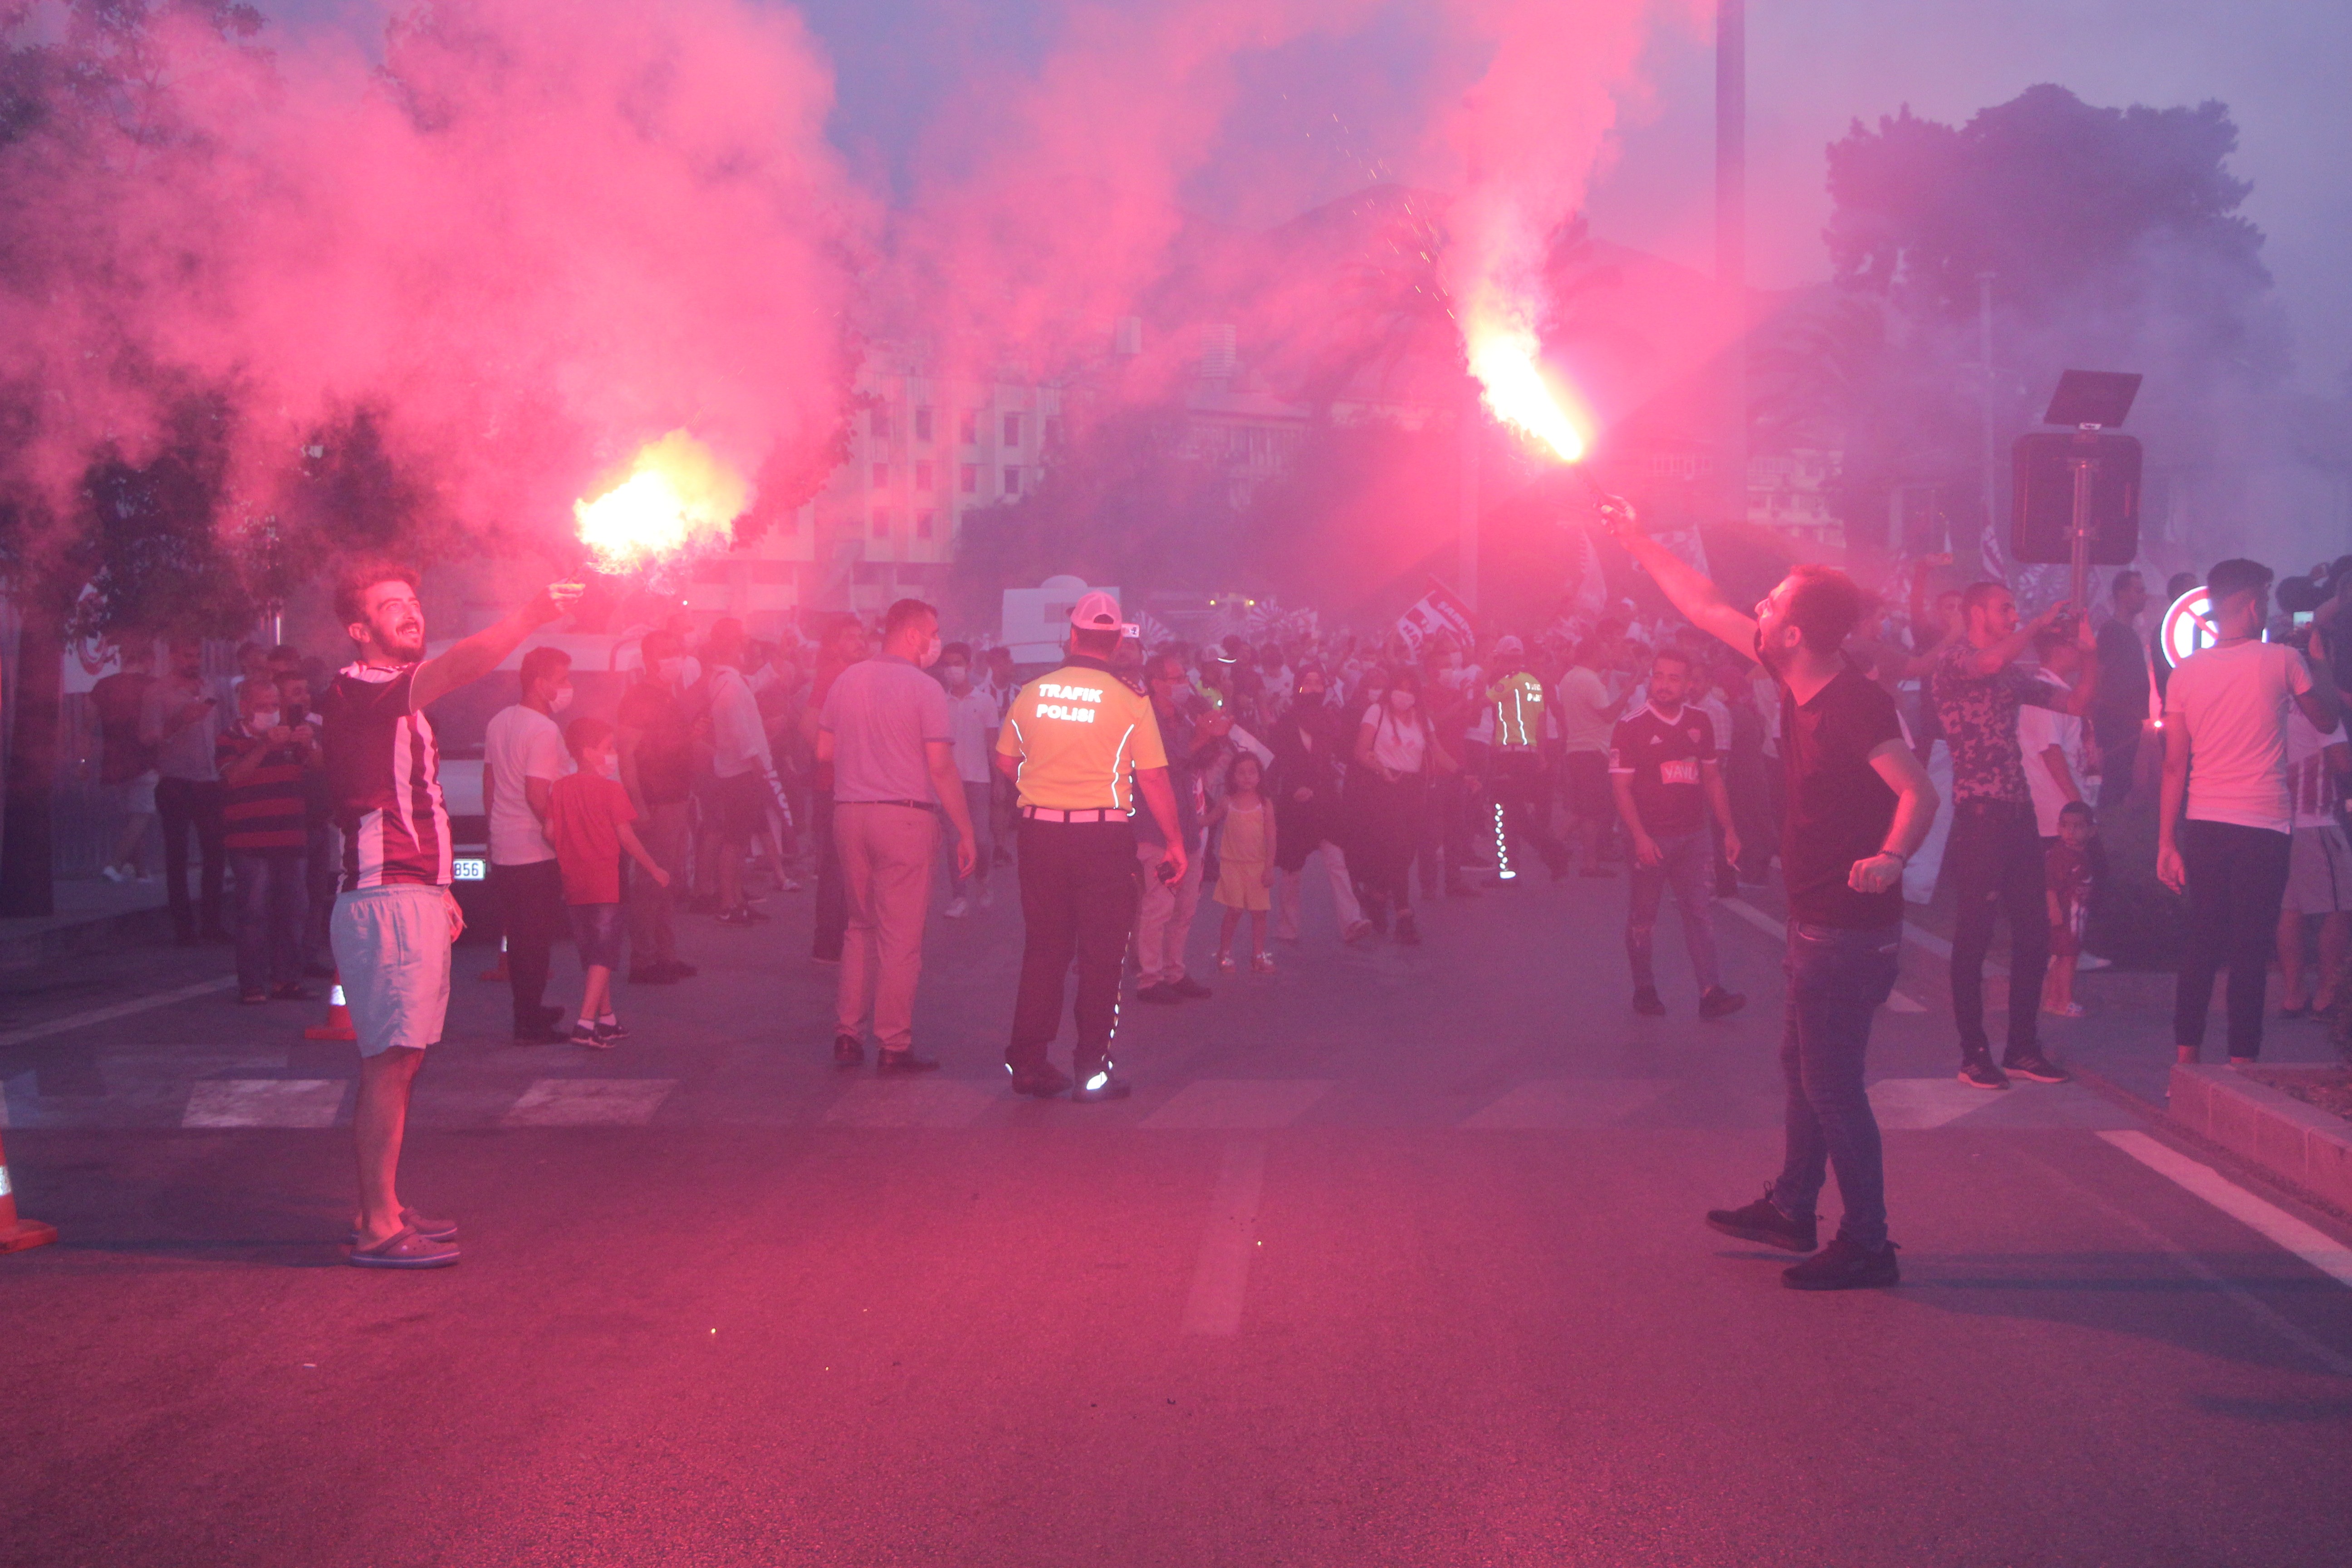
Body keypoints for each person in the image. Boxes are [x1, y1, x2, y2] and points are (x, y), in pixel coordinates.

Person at [1604, 497, 1939, 1292]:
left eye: (1772, 601)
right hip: (1816, 921)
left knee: (1830, 1086)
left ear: (1791, 632)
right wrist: (1631, 534)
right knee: (1800, 1069)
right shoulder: (1792, 680)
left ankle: (1868, 1243)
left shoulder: (1852, 704)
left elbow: (1917, 795)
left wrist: (1891, 857)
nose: (1755, 606)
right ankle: (1792, 1206)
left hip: (1847, 931)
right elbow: (1699, 602)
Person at [323, 560, 581, 1268]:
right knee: (390, 1061)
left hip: (411, 895)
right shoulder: (359, 687)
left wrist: (440, 891)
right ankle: (377, 1227)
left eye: (413, 600)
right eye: (389, 605)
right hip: (384, 894)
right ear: (359, 629)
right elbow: (461, 665)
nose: (410, 612)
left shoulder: (397, 701)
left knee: (405, 1061)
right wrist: (528, 615)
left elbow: (422, 801)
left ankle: (384, 1206)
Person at [994, 592, 1186, 1102]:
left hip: (1041, 835)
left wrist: (1043, 781)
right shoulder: (1130, 699)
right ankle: (1091, 1070)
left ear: (1073, 637)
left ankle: (1030, 1063)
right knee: (1102, 956)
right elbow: (1153, 778)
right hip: (1103, 837)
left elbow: (1005, 763)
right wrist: (1175, 842)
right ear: (1118, 640)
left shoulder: (1033, 692)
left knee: (1045, 950)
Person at [2159, 559, 2339, 1064]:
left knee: (2201, 940)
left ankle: (2186, 1056)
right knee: (2249, 946)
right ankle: (2242, 1061)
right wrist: (2318, 661)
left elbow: (2175, 764)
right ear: (2256, 603)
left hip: (2205, 820)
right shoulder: (2283, 661)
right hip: (2264, 823)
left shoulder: (2186, 673)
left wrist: (2166, 842)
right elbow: (2325, 720)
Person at [1927, 583, 2096, 1090]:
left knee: (2033, 931)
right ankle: (1972, 1053)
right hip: (1980, 813)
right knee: (1975, 933)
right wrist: (2039, 626)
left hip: (2019, 811)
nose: (2013, 615)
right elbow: (1989, 662)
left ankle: (2022, 1045)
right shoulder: (1955, 660)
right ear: (1975, 612)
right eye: (2005, 608)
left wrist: (2089, 656)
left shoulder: (2012, 675)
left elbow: (2078, 703)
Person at [818, 598, 976, 1073]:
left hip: (849, 814)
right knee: (900, 937)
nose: (935, 642)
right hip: (904, 817)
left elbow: (825, 750)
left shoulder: (847, 680)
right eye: (932, 633)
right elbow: (941, 767)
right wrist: (965, 831)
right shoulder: (923, 689)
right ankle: (894, 1043)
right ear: (912, 635)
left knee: (859, 928)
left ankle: (848, 1035)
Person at [1609, 647, 1745, 1019]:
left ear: (1689, 684)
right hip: (1650, 838)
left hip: (1693, 837)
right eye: (1659, 676)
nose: (1664, 685)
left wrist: (1729, 829)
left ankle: (1710, 992)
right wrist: (1638, 836)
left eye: (1674, 678)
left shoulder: (1701, 721)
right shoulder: (1631, 726)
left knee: (1699, 914)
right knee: (1643, 918)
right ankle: (1645, 989)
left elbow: (1713, 779)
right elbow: (1621, 788)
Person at [548, 717, 670, 1047]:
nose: (614, 754)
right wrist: (655, 868)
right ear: (589, 753)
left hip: (574, 881)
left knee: (592, 953)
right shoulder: (611, 790)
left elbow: (549, 832)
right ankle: (586, 1024)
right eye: (609, 748)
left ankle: (607, 1019)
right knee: (605, 955)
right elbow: (627, 838)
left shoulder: (559, 788)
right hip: (607, 880)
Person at [483, 646, 574, 1044]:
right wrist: (558, 834)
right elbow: (538, 794)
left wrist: (493, 828)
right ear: (541, 684)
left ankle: (530, 1009)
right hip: (534, 850)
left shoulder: (500, 722)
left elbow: (490, 781)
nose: (567, 687)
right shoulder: (543, 730)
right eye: (562, 679)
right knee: (535, 939)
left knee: (521, 935)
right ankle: (529, 1021)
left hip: (505, 846)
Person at [215, 678, 320, 1004]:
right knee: (253, 913)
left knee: (293, 912)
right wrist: (264, 745)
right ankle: (252, 984)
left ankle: (287, 980)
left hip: (290, 837)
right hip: (249, 841)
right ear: (245, 707)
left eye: (275, 706)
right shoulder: (229, 737)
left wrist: (311, 743)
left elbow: (319, 767)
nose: (270, 713)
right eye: (262, 707)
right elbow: (233, 775)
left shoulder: (292, 736)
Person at [1135, 649, 1230, 1001]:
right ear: (1156, 683)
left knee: (1185, 906)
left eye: (1183, 677)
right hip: (1157, 827)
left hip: (1188, 826)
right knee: (1159, 905)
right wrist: (1204, 737)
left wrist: (1215, 734)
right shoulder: (1146, 719)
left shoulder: (1184, 718)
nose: (1183, 685)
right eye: (1176, 679)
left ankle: (1175, 972)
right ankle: (1150, 978)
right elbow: (1167, 764)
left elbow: (1197, 763)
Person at [1265, 662, 1372, 946]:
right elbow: (1279, 762)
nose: (1313, 688)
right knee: (1292, 869)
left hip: (1325, 800)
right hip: (1295, 803)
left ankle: (1351, 921)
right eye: (1308, 682)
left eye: (1318, 682)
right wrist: (1290, 792)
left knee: (1337, 860)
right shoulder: (1287, 722)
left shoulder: (1331, 720)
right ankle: (1288, 927)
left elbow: (1341, 755)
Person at [615, 630, 699, 983]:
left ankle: (666, 955)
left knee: (668, 881)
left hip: (676, 798)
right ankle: (644, 960)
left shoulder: (669, 697)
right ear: (650, 660)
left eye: (677, 650)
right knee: (651, 882)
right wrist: (637, 804)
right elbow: (627, 754)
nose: (675, 659)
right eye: (668, 652)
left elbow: (670, 745)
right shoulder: (640, 698)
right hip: (655, 800)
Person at [141, 636, 229, 944]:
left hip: (208, 780)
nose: (192, 662)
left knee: (215, 855)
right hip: (177, 781)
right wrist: (179, 721)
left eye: (196, 656)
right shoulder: (157, 692)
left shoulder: (208, 687)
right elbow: (148, 737)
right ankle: (184, 929)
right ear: (173, 657)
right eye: (186, 656)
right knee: (177, 858)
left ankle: (212, 925)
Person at [1351, 667, 1444, 945]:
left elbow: (1437, 752)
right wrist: (1380, 770)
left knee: (1406, 850)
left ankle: (1377, 895)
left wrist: (1464, 774)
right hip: (1384, 786)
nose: (1404, 695)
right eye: (1400, 687)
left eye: (1410, 689)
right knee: (1396, 844)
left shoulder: (1422, 719)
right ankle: (1404, 914)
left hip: (1414, 789)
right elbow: (1360, 751)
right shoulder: (1376, 713)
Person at [2278, 675, 2352, 1016]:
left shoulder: (2279, 705)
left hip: (2282, 822)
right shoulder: (2322, 713)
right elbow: (2343, 764)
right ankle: (2327, 992)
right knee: (2339, 909)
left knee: (2289, 912)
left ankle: (2294, 993)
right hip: (2319, 822)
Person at [705, 620, 784, 928]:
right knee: (735, 842)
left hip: (737, 771)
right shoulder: (730, 684)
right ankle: (728, 904)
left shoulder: (727, 680)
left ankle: (737, 900)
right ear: (735, 647)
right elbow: (742, 736)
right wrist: (760, 771)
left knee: (738, 842)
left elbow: (754, 683)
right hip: (741, 774)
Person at [800, 617, 870, 957]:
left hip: (845, 785)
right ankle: (828, 941)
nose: (859, 642)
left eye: (861, 636)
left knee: (844, 862)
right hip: (834, 786)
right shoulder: (832, 675)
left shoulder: (851, 674)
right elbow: (807, 725)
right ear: (833, 645)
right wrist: (834, 760)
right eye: (850, 638)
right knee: (835, 864)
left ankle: (837, 936)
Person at [1477, 636, 1571, 883]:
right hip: (1528, 754)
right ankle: (1533, 861)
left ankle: (1547, 856)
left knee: (1506, 814)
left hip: (1509, 756)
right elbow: (1541, 720)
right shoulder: (1534, 683)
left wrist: (1486, 672)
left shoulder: (1507, 682)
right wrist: (1540, 755)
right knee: (1516, 814)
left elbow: (1479, 703)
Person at [1556, 632, 1627, 877]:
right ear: (1595, 652)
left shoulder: (1570, 678)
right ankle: (1552, 845)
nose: (1609, 654)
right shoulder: (1588, 680)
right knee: (1588, 810)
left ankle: (1589, 862)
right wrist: (1628, 692)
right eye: (1605, 649)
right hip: (1592, 751)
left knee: (1587, 809)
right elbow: (1607, 715)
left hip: (1577, 748)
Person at [936, 643, 998, 919]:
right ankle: (959, 895)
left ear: (969, 666)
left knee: (982, 841)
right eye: (947, 664)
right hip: (949, 783)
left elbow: (992, 745)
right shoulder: (938, 702)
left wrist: (998, 783)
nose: (953, 669)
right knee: (954, 842)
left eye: (958, 663)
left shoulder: (985, 702)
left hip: (980, 782)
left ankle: (983, 880)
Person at [89, 639, 159, 883]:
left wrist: (87, 757)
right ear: (147, 660)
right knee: (141, 814)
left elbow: (91, 722)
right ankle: (115, 864)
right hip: (145, 758)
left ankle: (141, 872)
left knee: (132, 816)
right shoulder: (154, 686)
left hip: (114, 758)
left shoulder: (103, 686)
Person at [2092, 570, 2158, 807]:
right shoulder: (2112, 632)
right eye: (2138, 590)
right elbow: (2100, 675)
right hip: (2115, 721)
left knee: (2123, 779)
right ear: (2121, 594)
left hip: (2127, 721)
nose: (2145, 596)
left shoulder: (2127, 632)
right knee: (2115, 780)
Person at [1209, 752, 1277, 971]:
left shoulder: (1265, 805)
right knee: (1235, 910)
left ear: (1259, 776)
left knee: (1259, 912)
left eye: (1252, 772)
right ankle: (1224, 953)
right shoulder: (1227, 802)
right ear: (1233, 776)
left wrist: (1268, 868)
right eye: (1241, 772)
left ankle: (1258, 955)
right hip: (1232, 865)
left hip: (1257, 866)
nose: (1247, 777)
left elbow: (1271, 838)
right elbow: (1209, 820)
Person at [2043, 801, 2096, 1018]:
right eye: (2066, 826)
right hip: (2066, 917)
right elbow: (2050, 885)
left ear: (2091, 831)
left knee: (2062, 957)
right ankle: (2064, 1000)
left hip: (2076, 916)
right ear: (2058, 828)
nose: (2071, 832)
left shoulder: (2081, 855)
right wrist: (2054, 910)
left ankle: (2054, 999)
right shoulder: (2060, 855)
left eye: (2078, 827)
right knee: (2067, 958)